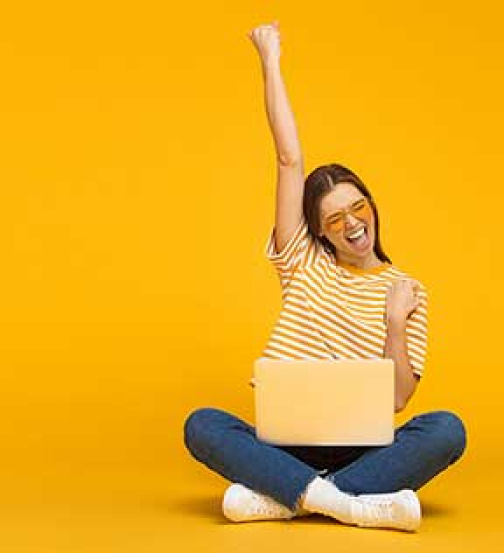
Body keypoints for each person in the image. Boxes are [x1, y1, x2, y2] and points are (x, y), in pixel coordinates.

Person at [183, 20, 467, 532]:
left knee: (446, 430)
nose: (352, 224)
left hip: (363, 449)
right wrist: (270, 60)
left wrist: (396, 323)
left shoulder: (407, 290)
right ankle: (351, 505)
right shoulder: (303, 261)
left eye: (357, 208)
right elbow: (289, 159)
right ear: (318, 231)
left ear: (372, 208)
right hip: (283, 441)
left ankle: (284, 495)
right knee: (202, 425)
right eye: (334, 219)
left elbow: (399, 399)